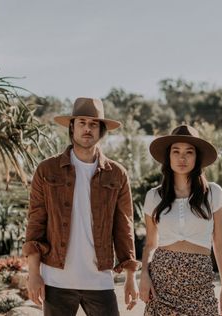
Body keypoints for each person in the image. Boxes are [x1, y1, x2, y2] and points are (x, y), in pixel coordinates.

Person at [23, 97, 140, 316]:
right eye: (82, 123)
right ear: (72, 127)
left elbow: (124, 226)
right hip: (56, 278)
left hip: (100, 280)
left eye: (93, 124)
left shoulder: (117, 174)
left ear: (101, 130)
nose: (87, 129)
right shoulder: (47, 170)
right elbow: (36, 222)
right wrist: (33, 272)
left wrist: (130, 276)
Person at [139, 124, 222, 316]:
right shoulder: (153, 196)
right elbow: (150, 244)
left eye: (189, 152)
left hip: (200, 286)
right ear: (168, 156)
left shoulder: (214, 193)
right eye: (176, 151)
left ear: (197, 157)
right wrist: (144, 275)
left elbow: (220, 242)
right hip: (162, 285)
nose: (182, 158)